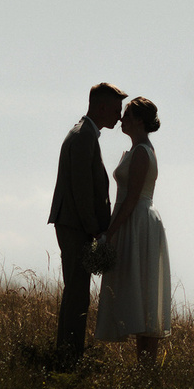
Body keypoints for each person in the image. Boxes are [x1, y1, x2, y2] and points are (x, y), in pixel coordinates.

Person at [46, 82, 125, 367]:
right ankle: (69, 357)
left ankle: (67, 353)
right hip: (75, 225)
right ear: (101, 107)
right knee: (77, 293)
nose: (119, 116)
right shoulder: (83, 136)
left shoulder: (86, 134)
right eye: (115, 110)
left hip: (74, 223)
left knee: (76, 291)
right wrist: (94, 228)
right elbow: (81, 188)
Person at [94, 96, 173, 363]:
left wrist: (110, 233)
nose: (121, 120)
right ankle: (144, 365)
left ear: (139, 121)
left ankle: (146, 365)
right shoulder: (136, 150)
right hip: (133, 219)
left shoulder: (141, 152)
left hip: (137, 222)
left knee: (143, 289)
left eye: (127, 115)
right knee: (137, 289)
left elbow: (131, 199)